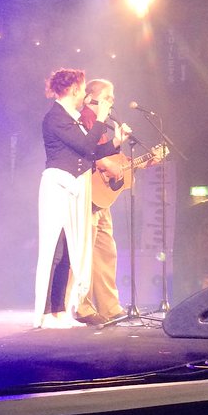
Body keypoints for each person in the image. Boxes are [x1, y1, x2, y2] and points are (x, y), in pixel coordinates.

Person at [33, 68, 128, 330]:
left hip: (75, 187)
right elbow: (86, 147)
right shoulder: (55, 117)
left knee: (69, 252)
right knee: (56, 249)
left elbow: (91, 152)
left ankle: (60, 310)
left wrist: (116, 142)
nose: (85, 93)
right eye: (82, 88)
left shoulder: (72, 118)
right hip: (58, 186)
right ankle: (46, 312)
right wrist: (100, 117)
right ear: (73, 89)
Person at [74, 78, 128, 327]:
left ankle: (109, 306)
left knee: (107, 251)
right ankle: (82, 306)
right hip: (86, 194)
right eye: (108, 96)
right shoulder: (84, 118)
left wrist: (117, 142)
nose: (112, 100)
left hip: (101, 198)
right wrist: (106, 163)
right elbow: (87, 154)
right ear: (92, 97)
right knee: (84, 253)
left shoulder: (102, 126)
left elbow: (103, 154)